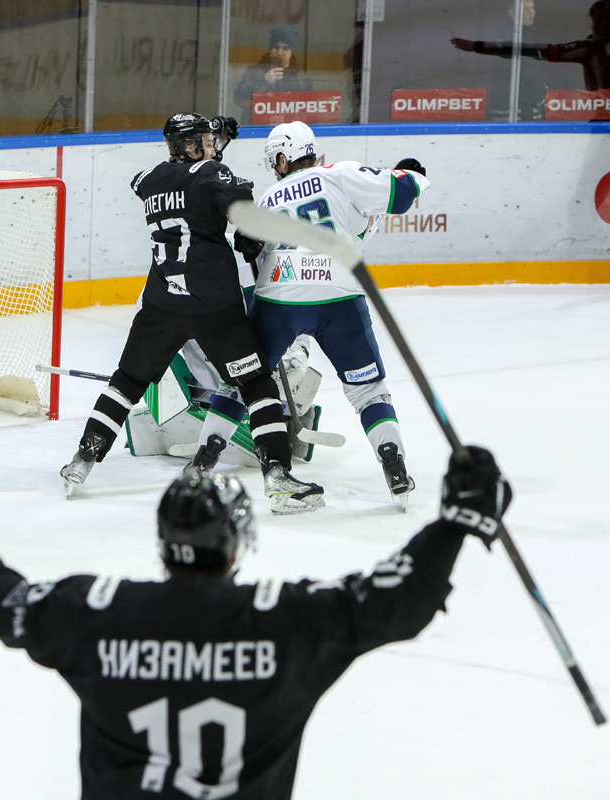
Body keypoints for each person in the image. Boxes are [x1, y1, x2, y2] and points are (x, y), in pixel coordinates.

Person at [0, 442, 511, 800]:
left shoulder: (97, 612)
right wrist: (456, 523)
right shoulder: (290, 622)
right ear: (235, 544)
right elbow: (400, 597)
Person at [59, 113, 323, 515]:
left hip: (162, 305)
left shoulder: (149, 179)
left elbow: (185, 184)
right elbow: (233, 199)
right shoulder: (212, 174)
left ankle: (83, 459)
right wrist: (249, 236)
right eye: (205, 141)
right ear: (188, 145)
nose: (212, 146)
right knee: (256, 384)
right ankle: (278, 476)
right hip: (214, 307)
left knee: (126, 381)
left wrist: (214, 154)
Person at [200, 121, 429, 508]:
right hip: (339, 294)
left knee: (243, 381)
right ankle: (393, 462)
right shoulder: (341, 174)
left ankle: (205, 456)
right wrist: (414, 176)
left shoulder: (269, 197)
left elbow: (249, 257)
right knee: (368, 390)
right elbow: (403, 193)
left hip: (280, 299)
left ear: (283, 159)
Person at [452, 0, 610, 95]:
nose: (593, 25)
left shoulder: (592, 47)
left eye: (596, 21)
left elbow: (540, 51)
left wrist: (477, 46)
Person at [233, 26, 314, 125]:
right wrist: (264, 81)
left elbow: (310, 109)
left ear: (291, 53)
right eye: (276, 47)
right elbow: (238, 98)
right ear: (270, 51)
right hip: (258, 129)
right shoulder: (254, 72)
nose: (279, 53)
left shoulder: (301, 78)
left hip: (289, 130)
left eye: (285, 48)